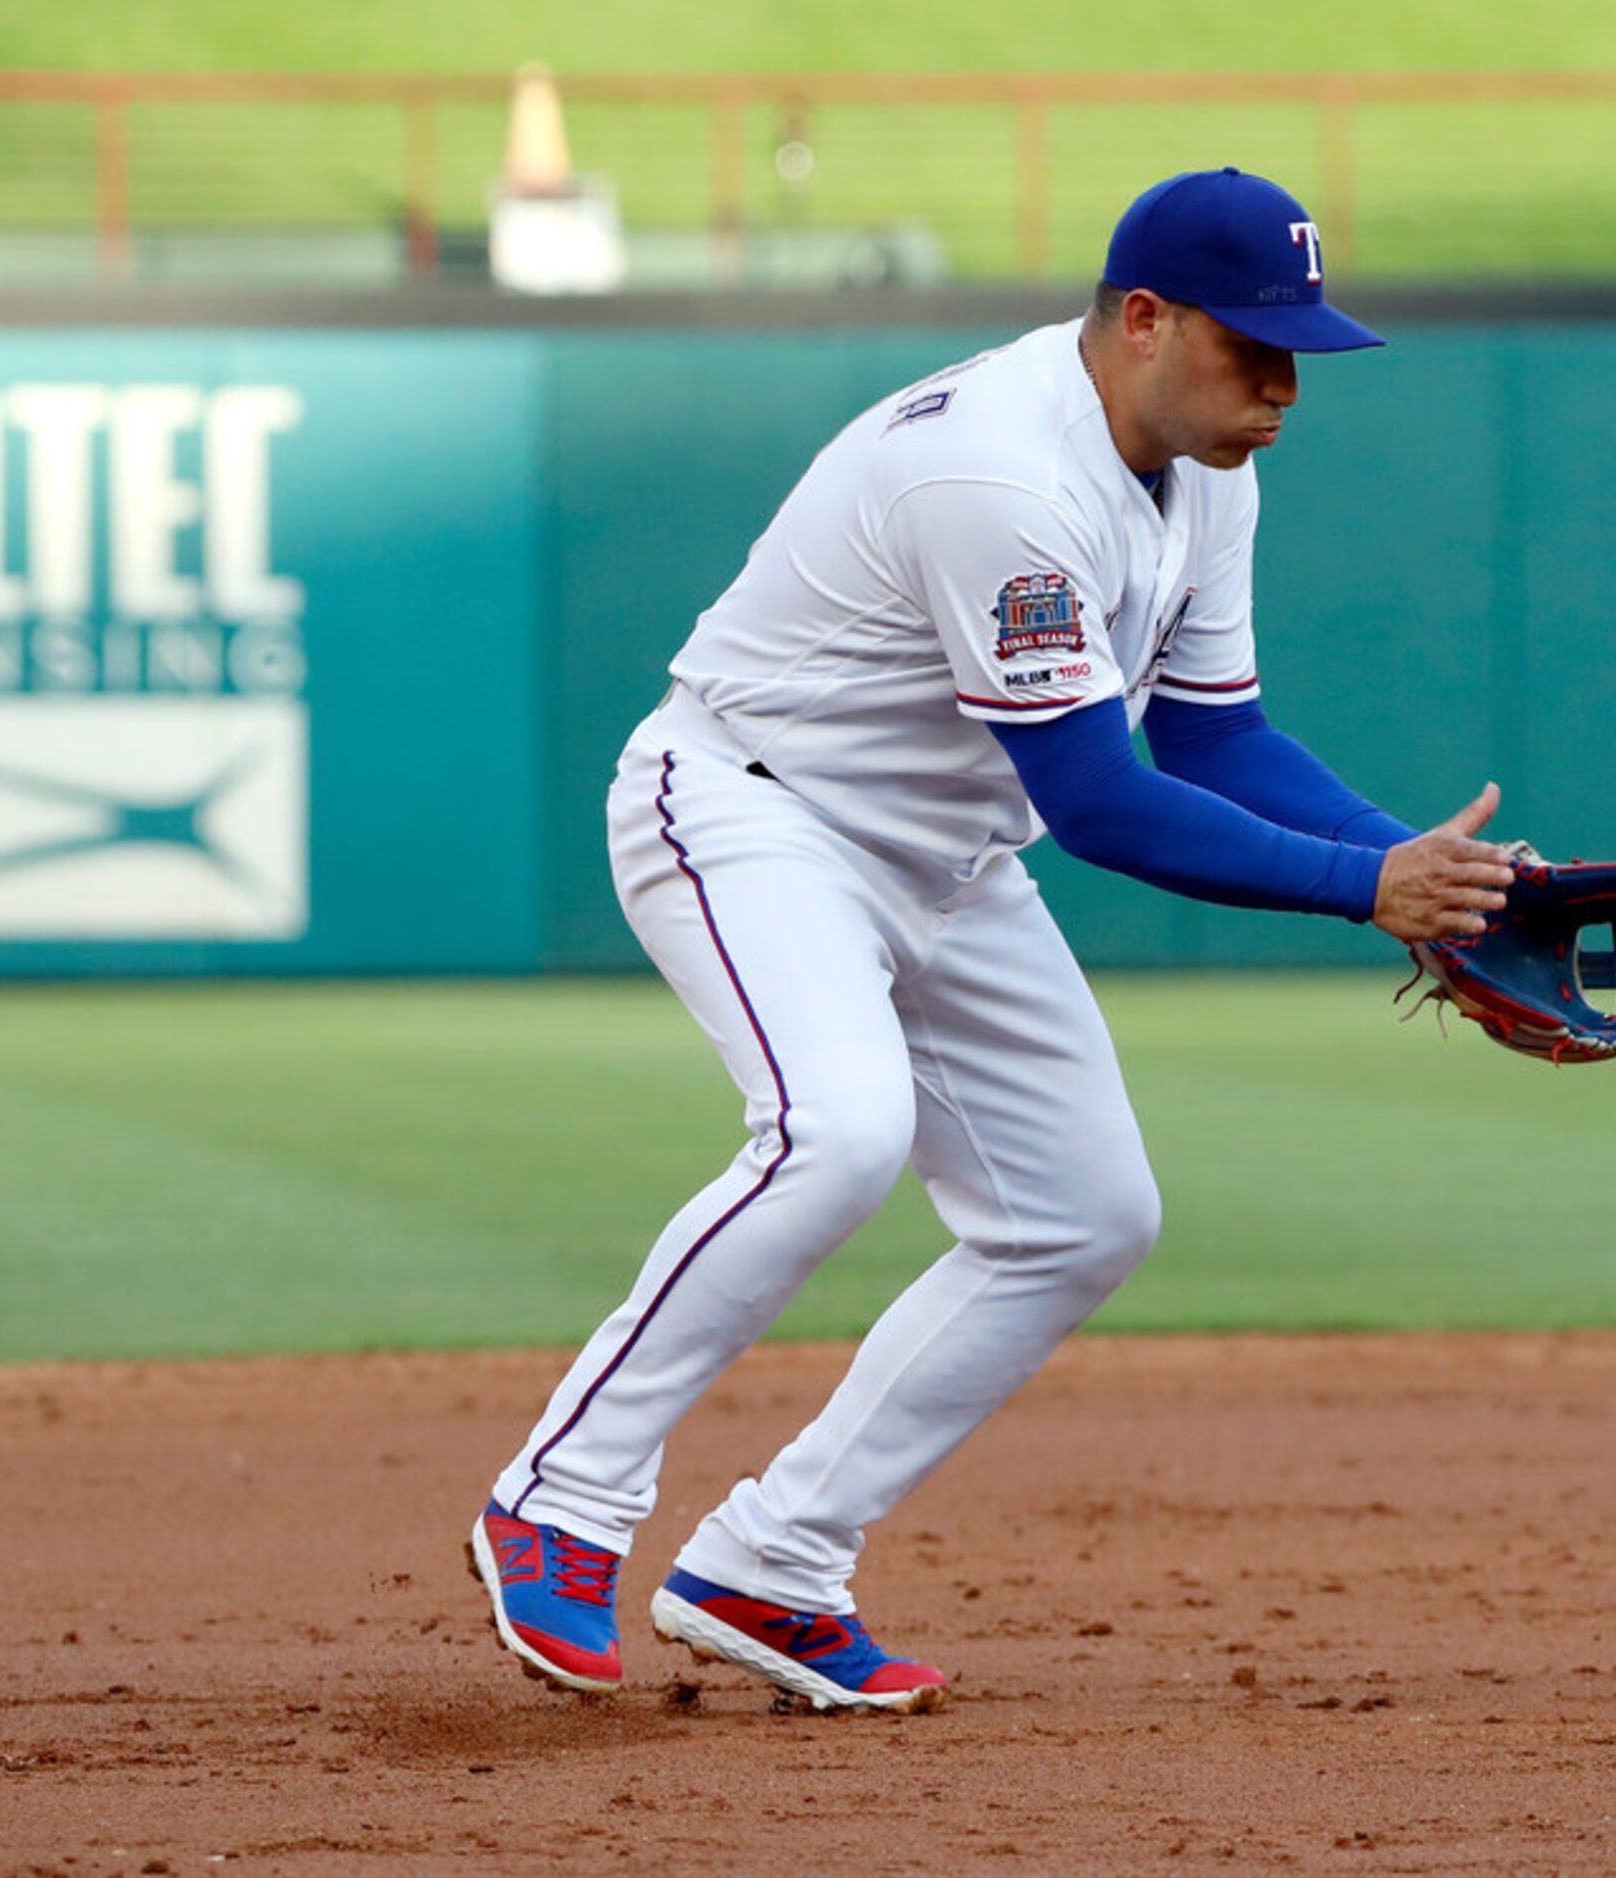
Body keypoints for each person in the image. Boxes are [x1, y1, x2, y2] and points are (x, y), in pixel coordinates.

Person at [468, 166, 1525, 1714]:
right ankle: (559, 1499)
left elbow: (1218, 740)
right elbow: (1104, 803)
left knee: (1084, 1212)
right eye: (1257, 348)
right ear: (1146, 320)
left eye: (1304, 351)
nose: (1286, 387)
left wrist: (1443, 877)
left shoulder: (1210, 466)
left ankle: (772, 1559)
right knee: (836, 1132)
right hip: (758, 811)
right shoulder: (995, 474)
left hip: (946, 853)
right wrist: (1373, 894)